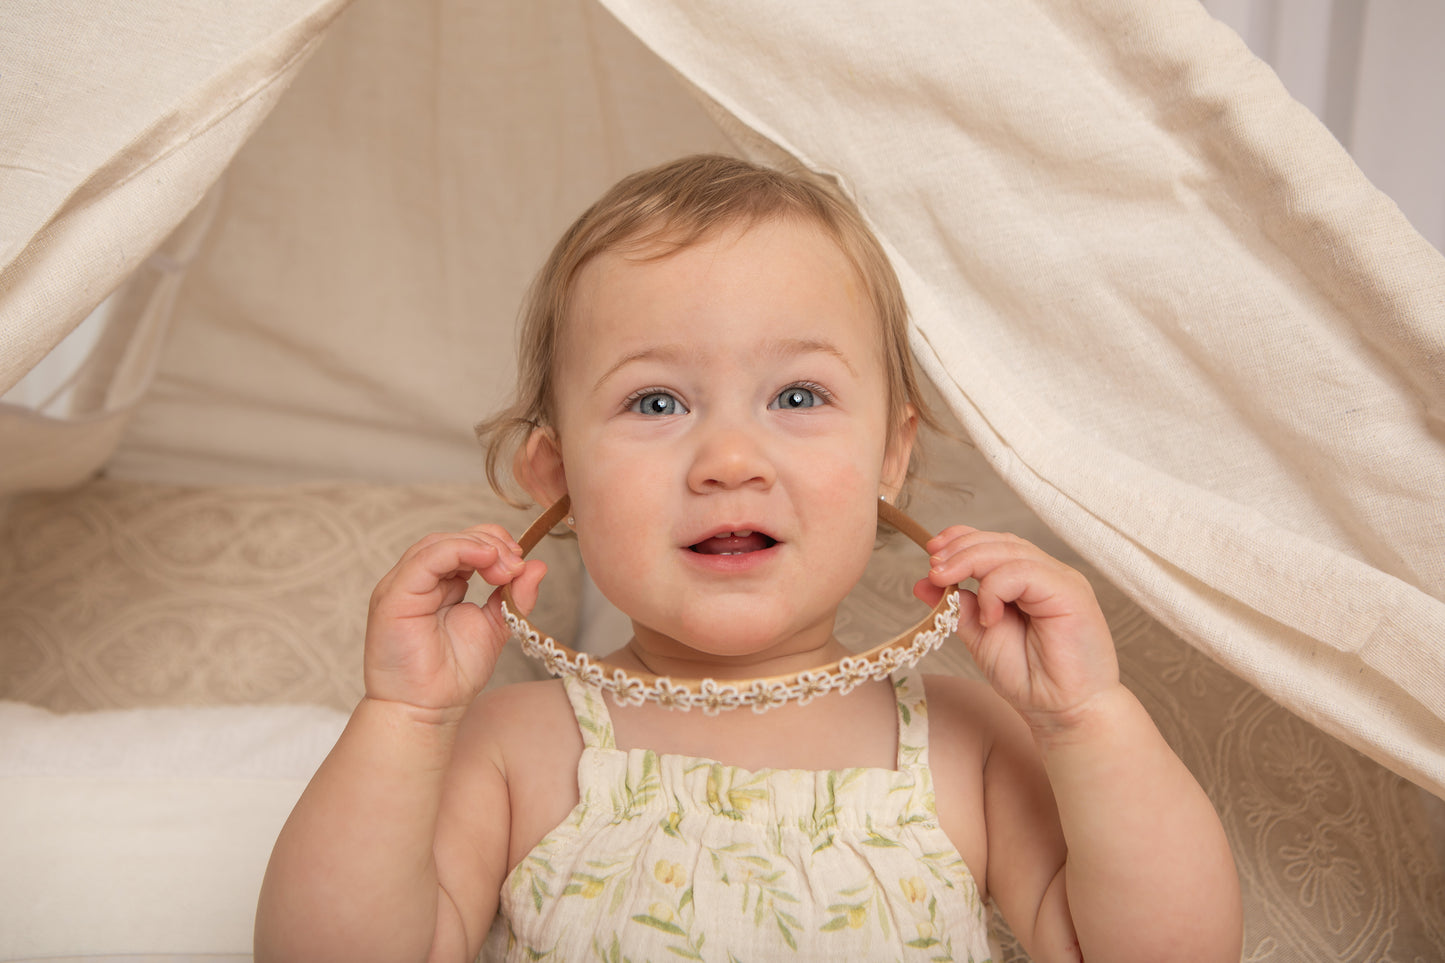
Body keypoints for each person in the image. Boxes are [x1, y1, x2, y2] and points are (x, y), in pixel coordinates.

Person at [255, 154, 1242, 962]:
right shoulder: (514, 747)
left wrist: (1085, 720)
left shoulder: (963, 742)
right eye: (655, 403)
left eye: (798, 397)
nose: (728, 461)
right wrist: (405, 717)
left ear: (888, 458)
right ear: (556, 475)